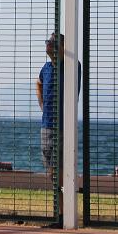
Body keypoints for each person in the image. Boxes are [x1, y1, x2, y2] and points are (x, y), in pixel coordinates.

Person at [36, 32, 81, 183]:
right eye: (47, 41)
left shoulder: (72, 66)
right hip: (47, 127)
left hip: (64, 128)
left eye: (53, 42)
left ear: (62, 47)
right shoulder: (46, 68)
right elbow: (39, 83)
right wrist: (42, 103)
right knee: (52, 173)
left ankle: (64, 205)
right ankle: (61, 205)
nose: (48, 44)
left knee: (61, 173)